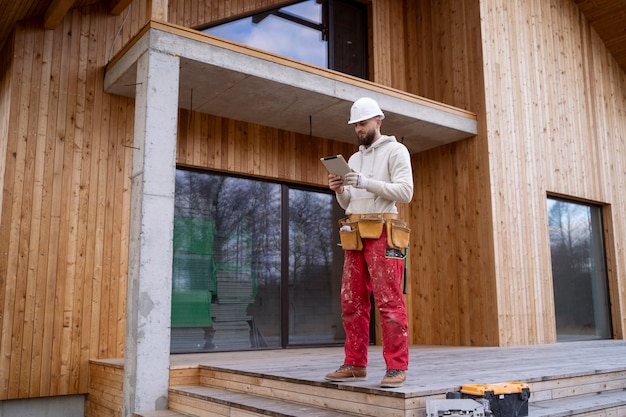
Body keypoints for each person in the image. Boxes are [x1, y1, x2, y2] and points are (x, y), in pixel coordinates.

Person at [325, 97, 414, 388]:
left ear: (378, 121)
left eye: (362, 124)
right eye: (355, 125)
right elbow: (348, 201)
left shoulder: (397, 151)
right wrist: (339, 190)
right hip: (354, 230)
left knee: (389, 302)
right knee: (351, 302)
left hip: (384, 229)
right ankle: (354, 364)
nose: (358, 130)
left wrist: (365, 182)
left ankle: (396, 368)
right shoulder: (354, 159)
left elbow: (405, 192)